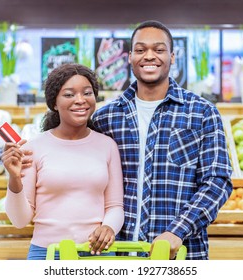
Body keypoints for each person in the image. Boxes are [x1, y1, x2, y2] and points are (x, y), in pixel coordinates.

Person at [91, 20, 233, 260]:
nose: (149, 56)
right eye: (140, 49)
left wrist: (177, 231)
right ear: (129, 57)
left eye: (158, 50)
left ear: (172, 56)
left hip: (182, 254)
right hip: (118, 255)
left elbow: (217, 181)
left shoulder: (202, 113)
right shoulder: (106, 117)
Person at [1, 63, 124, 260]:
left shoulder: (107, 145)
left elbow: (115, 206)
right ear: (54, 103)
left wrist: (109, 227)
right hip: (46, 254)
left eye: (87, 93)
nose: (80, 100)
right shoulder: (33, 147)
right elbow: (19, 220)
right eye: (69, 94)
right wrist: (14, 180)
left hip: (95, 254)